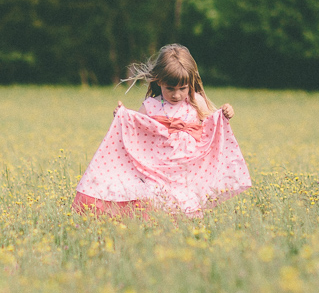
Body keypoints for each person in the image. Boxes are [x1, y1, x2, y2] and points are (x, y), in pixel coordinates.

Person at [73, 44, 252, 217]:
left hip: (186, 170)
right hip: (156, 168)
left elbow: (210, 127)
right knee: (155, 203)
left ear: (190, 82)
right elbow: (137, 130)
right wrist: (123, 117)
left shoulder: (196, 101)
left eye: (182, 88)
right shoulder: (151, 105)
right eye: (170, 89)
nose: (176, 95)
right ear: (159, 81)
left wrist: (225, 113)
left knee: (184, 204)